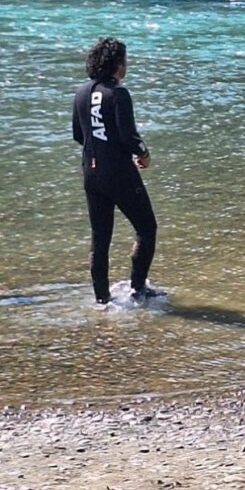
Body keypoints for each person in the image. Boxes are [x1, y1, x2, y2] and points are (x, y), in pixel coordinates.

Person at [71, 37, 160, 305]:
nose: (126, 66)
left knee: (100, 236)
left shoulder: (81, 92)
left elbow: (79, 135)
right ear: (117, 64)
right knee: (146, 228)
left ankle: (102, 300)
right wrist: (143, 154)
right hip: (119, 172)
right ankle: (138, 289)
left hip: (91, 172)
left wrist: (100, 148)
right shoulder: (118, 93)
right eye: (125, 61)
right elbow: (128, 136)